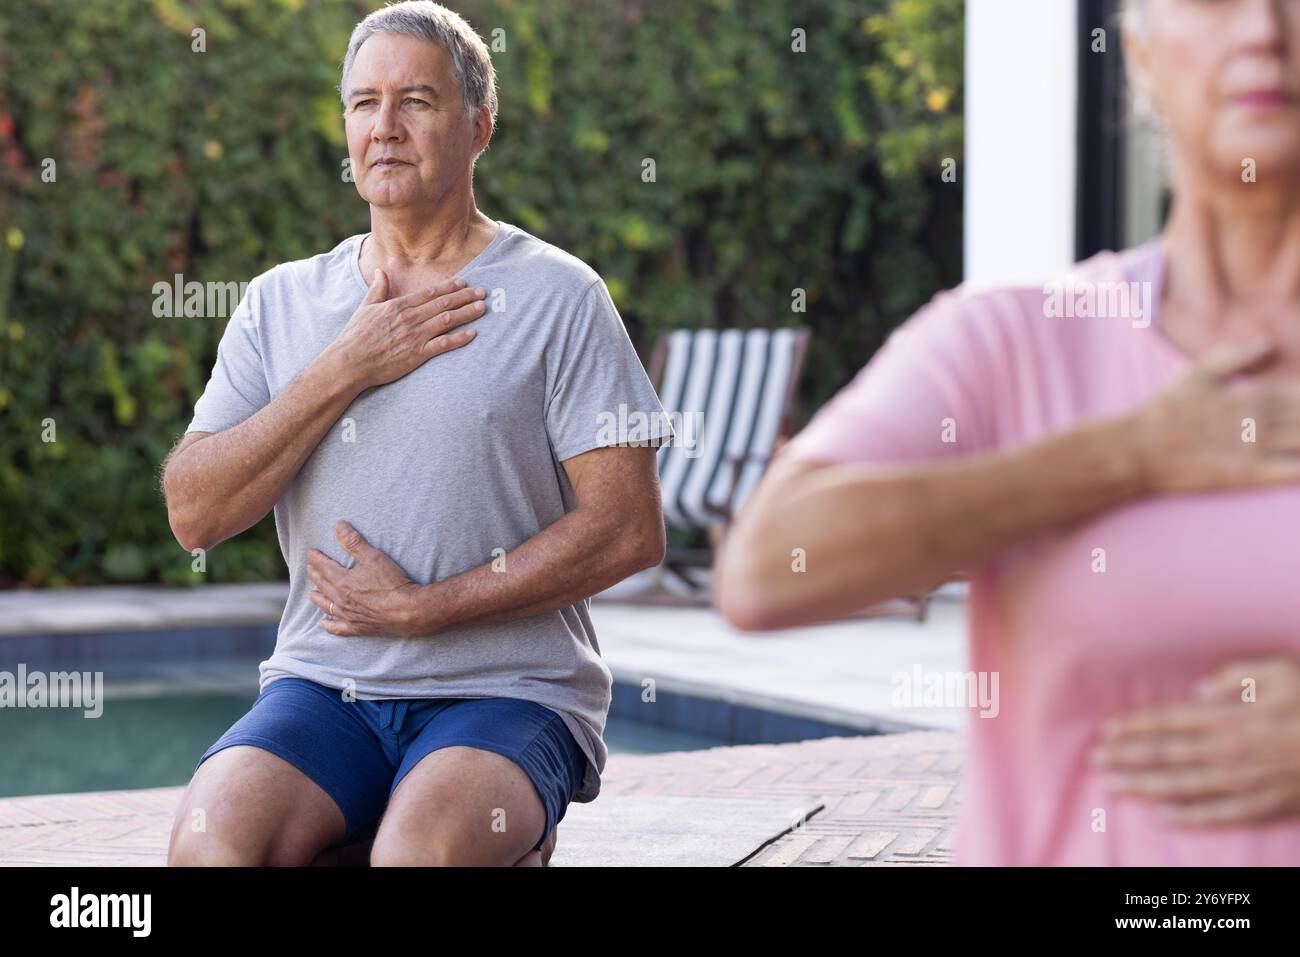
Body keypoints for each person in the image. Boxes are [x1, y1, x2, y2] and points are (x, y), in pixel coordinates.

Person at [716, 0, 1300, 865]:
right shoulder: (1014, 338)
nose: (1263, 29)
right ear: (1139, 55)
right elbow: (769, 570)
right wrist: (1131, 452)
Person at [162, 1, 672, 867]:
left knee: (416, 857)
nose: (385, 128)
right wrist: (345, 365)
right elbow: (194, 512)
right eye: (364, 103)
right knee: (209, 849)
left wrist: (425, 610)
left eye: (417, 102)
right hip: (325, 686)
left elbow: (629, 526)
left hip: (511, 690)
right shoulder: (281, 303)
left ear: (480, 124)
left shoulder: (559, 296)